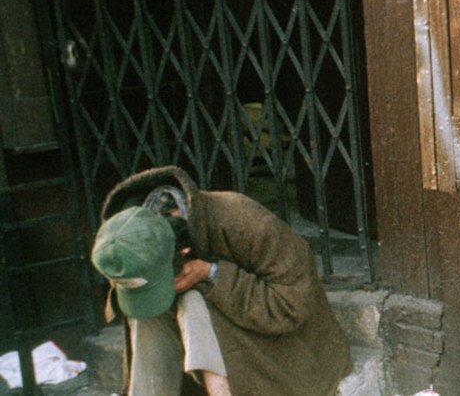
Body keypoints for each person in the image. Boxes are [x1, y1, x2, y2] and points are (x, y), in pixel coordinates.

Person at [91, 166, 352, 395]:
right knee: (142, 311)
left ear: (183, 252)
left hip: (287, 344)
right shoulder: (127, 240)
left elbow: (292, 305)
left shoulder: (241, 219)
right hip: (198, 348)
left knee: (193, 302)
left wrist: (212, 274)